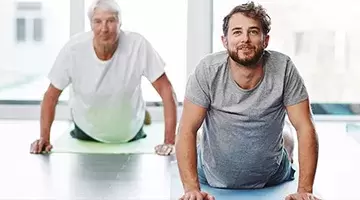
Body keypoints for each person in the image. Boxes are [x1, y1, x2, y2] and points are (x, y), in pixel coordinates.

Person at [175, 2, 320, 200]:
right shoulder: (207, 71)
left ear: (265, 40)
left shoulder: (284, 68)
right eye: (237, 32)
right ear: (224, 41)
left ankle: (285, 139)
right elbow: (186, 129)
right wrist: (191, 190)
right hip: (210, 172)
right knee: (200, 137)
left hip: (273, 174)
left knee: (287, 137)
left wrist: (305, 191)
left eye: (253, 32)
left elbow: (305, 126)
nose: (245, 39)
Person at [30, 0, 177, 156]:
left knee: (130, 110)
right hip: (86, 130)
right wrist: (44, 138)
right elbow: (51, 96)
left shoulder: (137, 45)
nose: (104, 28)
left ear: (120, 23)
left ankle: (141, 114)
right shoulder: (74, 49)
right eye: (98, 21)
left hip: (129, 132)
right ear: (91, 25)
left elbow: (166, 90)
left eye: (111, 21)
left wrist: (169, 142)